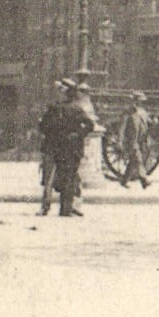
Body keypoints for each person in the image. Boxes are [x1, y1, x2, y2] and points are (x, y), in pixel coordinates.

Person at [54, 78, 94, 217]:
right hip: (73, 148)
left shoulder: (61, 108)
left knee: (65, 177)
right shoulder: (76, 108)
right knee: (69, 178)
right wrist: (78, 135)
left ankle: (65, 208)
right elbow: (90, 125)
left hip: (63, 147)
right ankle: (67, 208)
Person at [37, 81, 69, 215]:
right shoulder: (59, 110)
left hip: (56, 148)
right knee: (52, 179)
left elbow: (42, 127)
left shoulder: (55, 110)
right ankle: (51, 206)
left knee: (55, 178)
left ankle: (55, 207)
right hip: (57, 148)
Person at [119, 92, 152, 189]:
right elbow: (122, 127)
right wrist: (119, 141)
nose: (139, 102)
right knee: (138, 159)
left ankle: (124, 180)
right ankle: (144, 180)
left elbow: (148, 122)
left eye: (141, 101)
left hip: (141, 140)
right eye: (138, 100)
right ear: (134, 100)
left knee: (133, 161)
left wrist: (153, 121)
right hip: (131, 141)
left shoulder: (143, 112)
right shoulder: (128, 112)